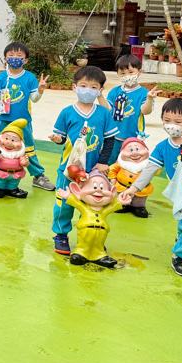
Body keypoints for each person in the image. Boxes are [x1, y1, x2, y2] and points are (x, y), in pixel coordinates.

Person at [119, 98, 182, 278]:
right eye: (167, 120)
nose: (172, 125)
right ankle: (180, 256)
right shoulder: (162, 147)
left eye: (178, 121)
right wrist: (133, 189)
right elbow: (150, 169)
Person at [48, 65, 118, 256]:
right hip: (68, 170)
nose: (88, 90)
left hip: (94, 171)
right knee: (64, 203)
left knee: (93, 205)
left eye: (94, 87)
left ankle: (92, 237)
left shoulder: (104, 113)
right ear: (74, 87)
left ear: (100, 90)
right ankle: (61, 235)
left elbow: (110, 139)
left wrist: (103, 162)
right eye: (83, 85)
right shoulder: (67, 112)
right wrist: (57, 139)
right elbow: (61, 138)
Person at [0, 42, 52, 191]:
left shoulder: (29, 77)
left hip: (23, 121)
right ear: (5, 59)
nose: (15, 58)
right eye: (11, 55)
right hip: (3, 118)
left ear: (25, 60)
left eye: (19, 56)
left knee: (28, 149)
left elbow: (34, 99)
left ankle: (38, 176)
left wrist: (40, 90)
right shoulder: (2, 76)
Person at [105, 54, 157, 162]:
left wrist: (149, 99)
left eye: (131, 72)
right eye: (123, 73)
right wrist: (99, 95)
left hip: (133, 138)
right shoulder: (115, 91)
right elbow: (106, 108)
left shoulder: (144, 94)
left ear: (140, 72)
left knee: (130, 165)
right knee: (109, 164)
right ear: (118, 74)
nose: (127, 76)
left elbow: (145, 111)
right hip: (112, 136)